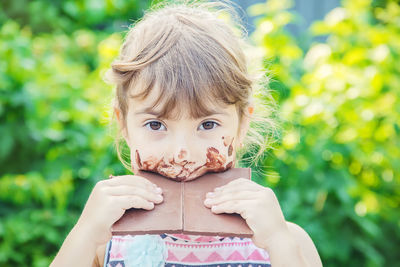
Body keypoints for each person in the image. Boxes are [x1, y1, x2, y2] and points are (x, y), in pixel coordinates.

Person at [51, 1, 322, 266]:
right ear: (124, 125)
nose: (182, 154)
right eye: (156, 125)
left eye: (207, 124)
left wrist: (278, 242)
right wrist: (85, 234)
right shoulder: (105, 244)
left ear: (242, 125)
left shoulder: (286, 244)